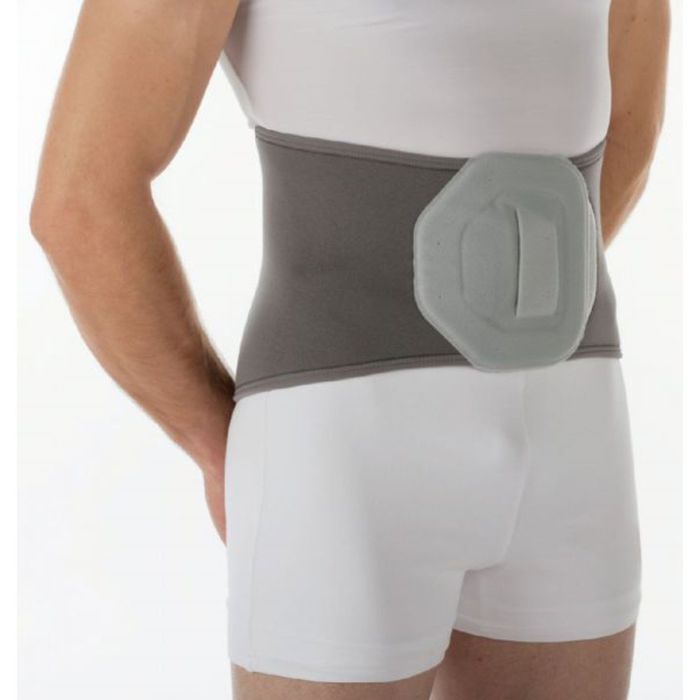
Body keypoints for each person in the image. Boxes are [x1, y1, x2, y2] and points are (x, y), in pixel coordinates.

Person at [30, 1, 670, 698]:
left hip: (574, 436)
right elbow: (80, 202)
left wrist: (515, 297)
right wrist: (215, 444)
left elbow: (629, 126)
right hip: (342, 448)